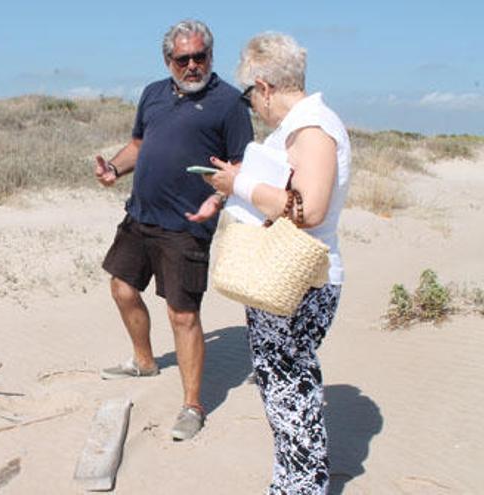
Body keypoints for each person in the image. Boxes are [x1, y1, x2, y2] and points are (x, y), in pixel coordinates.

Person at [194, 32, 351, 494]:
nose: (253, 107)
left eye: (249, 96)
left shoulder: (313, 128)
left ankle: (301, 488)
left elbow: (310, 209)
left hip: (301, 279)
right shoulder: (302, 127)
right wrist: (241, 179)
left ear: (263, 86)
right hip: (292, 276)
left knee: (289, 388)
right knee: (283, 386)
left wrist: (239, 186)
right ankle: (292, 485)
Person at [94, 19, 253, 441]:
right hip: (140, 214)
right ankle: (144, 361)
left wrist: (216, 201)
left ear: (211, 57)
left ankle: (192, 405)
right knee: (122, 288)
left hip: (187, 225)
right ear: (169, 61)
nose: (193, 65)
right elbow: (138, 146)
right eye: (183, 59)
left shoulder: (230, 104)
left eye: (200, 56)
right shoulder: (152, 94)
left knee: (183, 315)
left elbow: (241, 168)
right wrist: (114, 167)